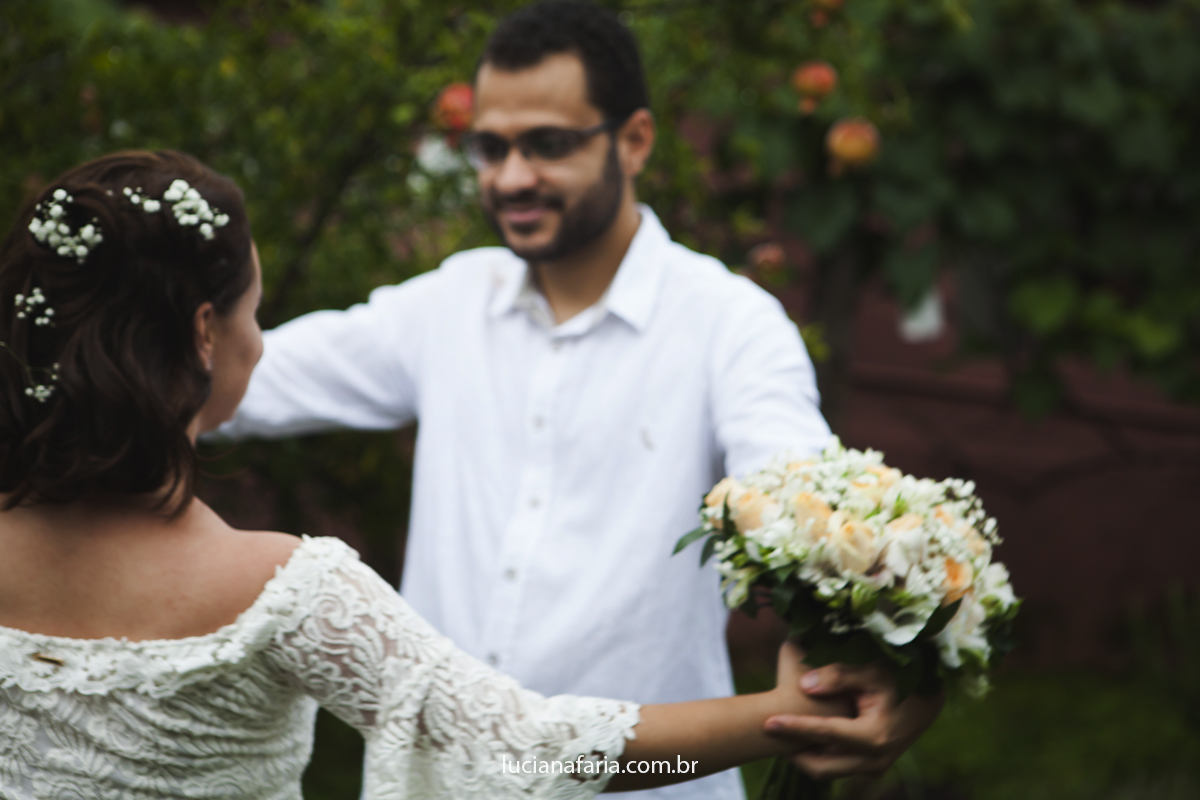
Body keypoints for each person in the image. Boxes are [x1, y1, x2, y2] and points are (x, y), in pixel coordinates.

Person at [217, 3, 941, 798]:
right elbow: (239, 382)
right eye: (490, 148)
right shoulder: (447, 305)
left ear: (633, 140)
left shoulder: (726, 323)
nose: (512, 176)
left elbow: (801, 495)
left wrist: (885, 655)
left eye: (548, 145)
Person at [0, 150, 857, 799]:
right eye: (255, 313)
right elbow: (530, 751)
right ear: (202, 334)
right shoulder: (283, 590)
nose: (263, 342)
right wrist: (781, 720)